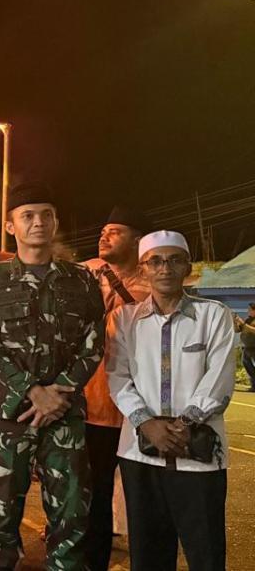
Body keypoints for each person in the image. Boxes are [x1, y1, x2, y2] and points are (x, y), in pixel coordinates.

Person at [0, 183, 106, 571]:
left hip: (65, 413)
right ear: (11, 226)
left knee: (70, 515)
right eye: (27, 215)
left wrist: (57, 395)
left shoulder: (80, 280)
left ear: (56, 222)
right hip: (8, 415)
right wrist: (33, 391)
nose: (38, 222)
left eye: (46, 214)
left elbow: (93, 344)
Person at [108, 230, 233, 570]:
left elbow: (219, 379)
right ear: (143, 269)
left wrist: (183, 424)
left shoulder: (214, 315)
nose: (165, 268)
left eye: (174, 260)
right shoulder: (124, 319)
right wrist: (147, 424)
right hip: (139, 456)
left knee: (205, 553)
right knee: (148, 555)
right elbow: (117, 377)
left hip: (200, 455)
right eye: (156, 261)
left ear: (187, 267)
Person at [79, 205, 151, 570]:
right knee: (97, 491)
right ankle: (95, 563)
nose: (104, 236)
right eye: (103, 230)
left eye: (116, 231)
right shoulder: (88, 271)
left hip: (143, 407)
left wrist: (115, 283)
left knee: (144, 494)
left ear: (137, 241)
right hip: (96, 405)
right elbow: (29, 261)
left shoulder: (154, 279)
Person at [239, 303, 255, 391]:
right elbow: (239, 329)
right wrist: (237, 323)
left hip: (254, 347)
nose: (248, 311)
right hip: (247, 347)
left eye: (250, 310)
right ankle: (254, 385)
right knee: (248, 366)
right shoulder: (248, 320)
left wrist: (244, 325)